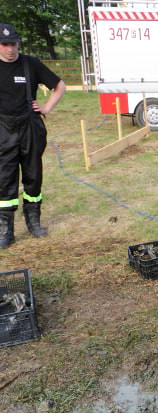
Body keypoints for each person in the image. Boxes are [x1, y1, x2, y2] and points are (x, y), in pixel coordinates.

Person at [0, 24, 65, 249]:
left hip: (30, 127)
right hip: (3, 129)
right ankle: (6, 230)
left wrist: (46, 108)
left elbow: (59, 86)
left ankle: (34, 222)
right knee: (5, 180)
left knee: (33, 176)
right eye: (5, 44)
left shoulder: (30, 64)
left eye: (13, 44)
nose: (10, 49)